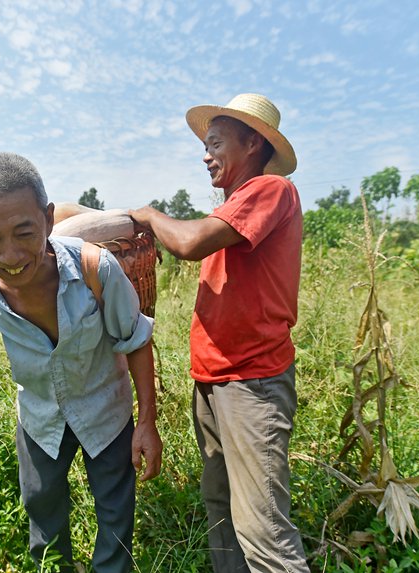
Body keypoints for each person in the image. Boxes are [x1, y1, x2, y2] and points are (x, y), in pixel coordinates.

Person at [0, 152, 162, 573]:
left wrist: (147, 420)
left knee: (115, 509)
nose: (10, 255)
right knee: (41, 505)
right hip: (39, 417)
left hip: (105, 411)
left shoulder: (95, 269)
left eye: (24, 233)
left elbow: (135, 341)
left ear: (49, 219)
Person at [129, 94, 309, 572]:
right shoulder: (232, 208)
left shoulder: (271, 189)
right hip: (215, 378)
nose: (206, 156)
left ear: (253, 143)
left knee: (264, 533)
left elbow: (189, 242)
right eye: (205, 146)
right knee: (222, 509)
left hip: (252, 382)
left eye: (215, 144)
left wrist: (149, 216)